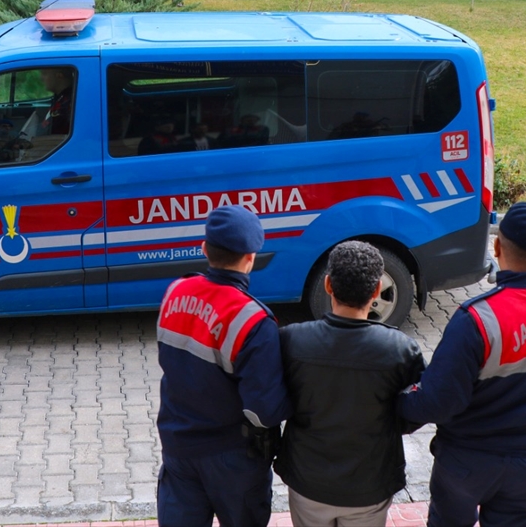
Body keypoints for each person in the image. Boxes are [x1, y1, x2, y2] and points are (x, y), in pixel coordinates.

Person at [399, 202, 526, 527]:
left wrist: (394, 408)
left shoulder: (477, 320)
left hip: (469, 464)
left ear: (497, 246)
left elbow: (438, 400)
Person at [155, 205, 292, 527]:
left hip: (178, 446)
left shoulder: (175, 291)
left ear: (204, 249)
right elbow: (264, 411)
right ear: (251, 257)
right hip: (232, 459)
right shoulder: (253, 320)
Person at [275, 241, 426, 527]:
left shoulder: (291, 340)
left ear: (328, 285)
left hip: (308, 481)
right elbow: (421, 406)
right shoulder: (400, 349)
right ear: (376, 290)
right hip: (370, 485)